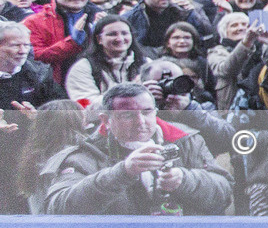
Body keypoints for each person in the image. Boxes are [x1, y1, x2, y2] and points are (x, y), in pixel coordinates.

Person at [44, 82, 233, 215]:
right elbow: (58, 208)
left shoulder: (186, 140)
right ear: (106, 120)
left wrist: (184, 179)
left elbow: (224, 193)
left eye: (147, 112)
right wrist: (122, 173)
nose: (140, 122)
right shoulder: (84, 154)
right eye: (128, 115)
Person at [25, 0, 97, 84]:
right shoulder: (34, 22)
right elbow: (34, 57)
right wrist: (72, 42)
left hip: (93, 81)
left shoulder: (98, 16)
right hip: (54, 86)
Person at [66, 14, 147, 103]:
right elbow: (86, 104)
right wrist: (131, 93)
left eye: (125, 33)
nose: (120, 39)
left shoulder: (146, 63)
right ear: (99, 39)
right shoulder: (82, 68)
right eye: (112, 34)